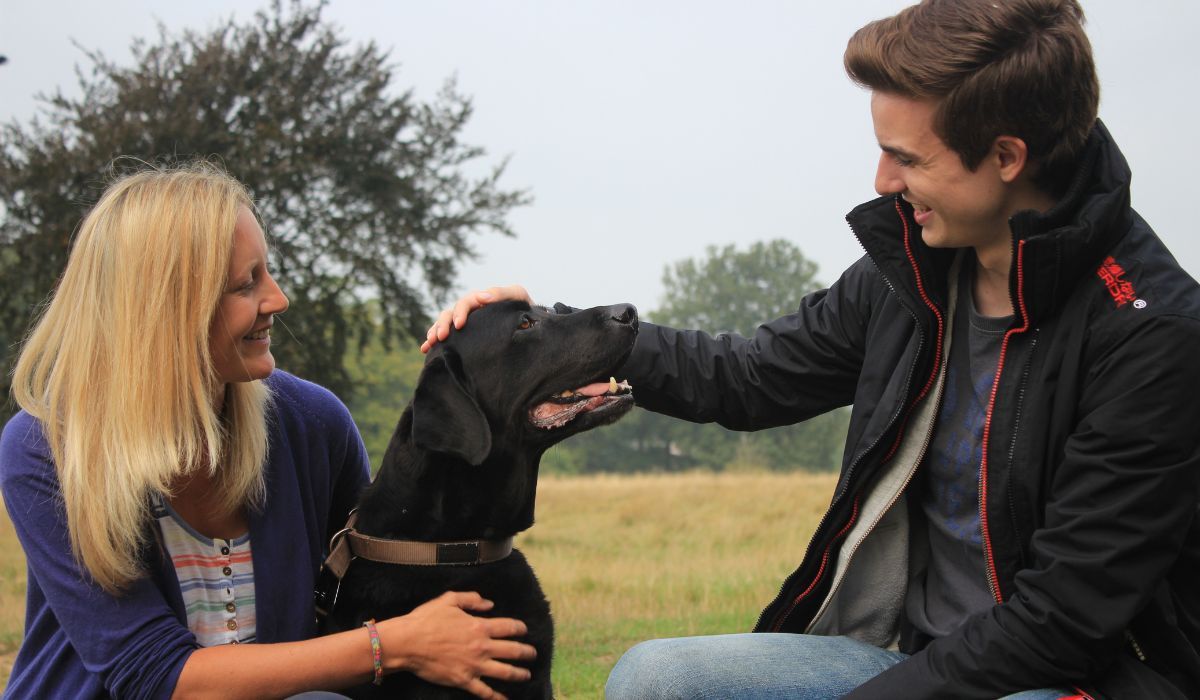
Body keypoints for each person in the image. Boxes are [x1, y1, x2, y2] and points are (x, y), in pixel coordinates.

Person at [421, 0, 1200, 697]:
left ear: (1005, 156)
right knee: (657, 678)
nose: (882, 179)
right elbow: (750, 377)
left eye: (910, 158)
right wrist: (563, 333)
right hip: (915, 662)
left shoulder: (1152, 335)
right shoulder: (913, 274)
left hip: (1071, 681)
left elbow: (1059, 622)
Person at [0, 163, 536, 699]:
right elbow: (151, 675)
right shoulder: (46, 450)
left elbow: (404, 561)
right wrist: (387, 646)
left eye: (267, 272)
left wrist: (501, 349)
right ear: (162, 311)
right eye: (245, 284)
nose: (277, 299)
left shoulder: (312, 424)